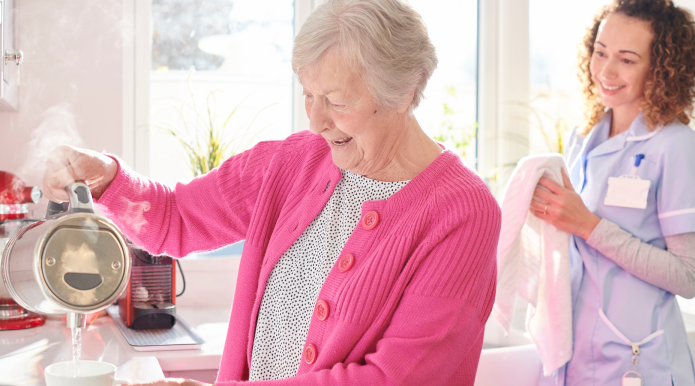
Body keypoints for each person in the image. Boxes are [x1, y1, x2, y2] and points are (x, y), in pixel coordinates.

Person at [43, 0, 501, 385]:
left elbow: (397, 377)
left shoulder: (461, 211)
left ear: (403, 92)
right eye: (308, 95)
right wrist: (104, 175)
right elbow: (178, 217)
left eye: (337, 102)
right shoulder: (293, 161)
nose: (316, 121)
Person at [529, 0, 695, 385]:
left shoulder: (677, 148)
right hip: (573, 356)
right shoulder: (582, 138)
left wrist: (589, 226)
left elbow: (688, 276)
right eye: (600, 52)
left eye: (627, 60)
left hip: (637, 360)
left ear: (660, 68)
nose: (606, 71)